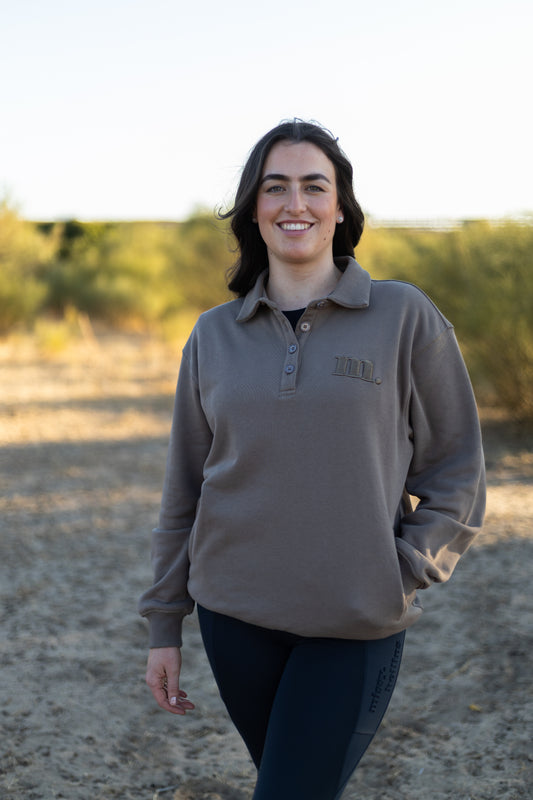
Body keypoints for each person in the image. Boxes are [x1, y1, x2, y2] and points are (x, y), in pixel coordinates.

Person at [138, 120, 486, 799]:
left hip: (354, 619)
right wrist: (163, 623)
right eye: (275, 187)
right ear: (253, 208)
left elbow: (457, 470)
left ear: (339, 207)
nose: (294, 203)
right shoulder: (213, 334)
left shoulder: (402, 316)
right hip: (233, 616)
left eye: (312, 186)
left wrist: (405, 566)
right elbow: (185, 486)